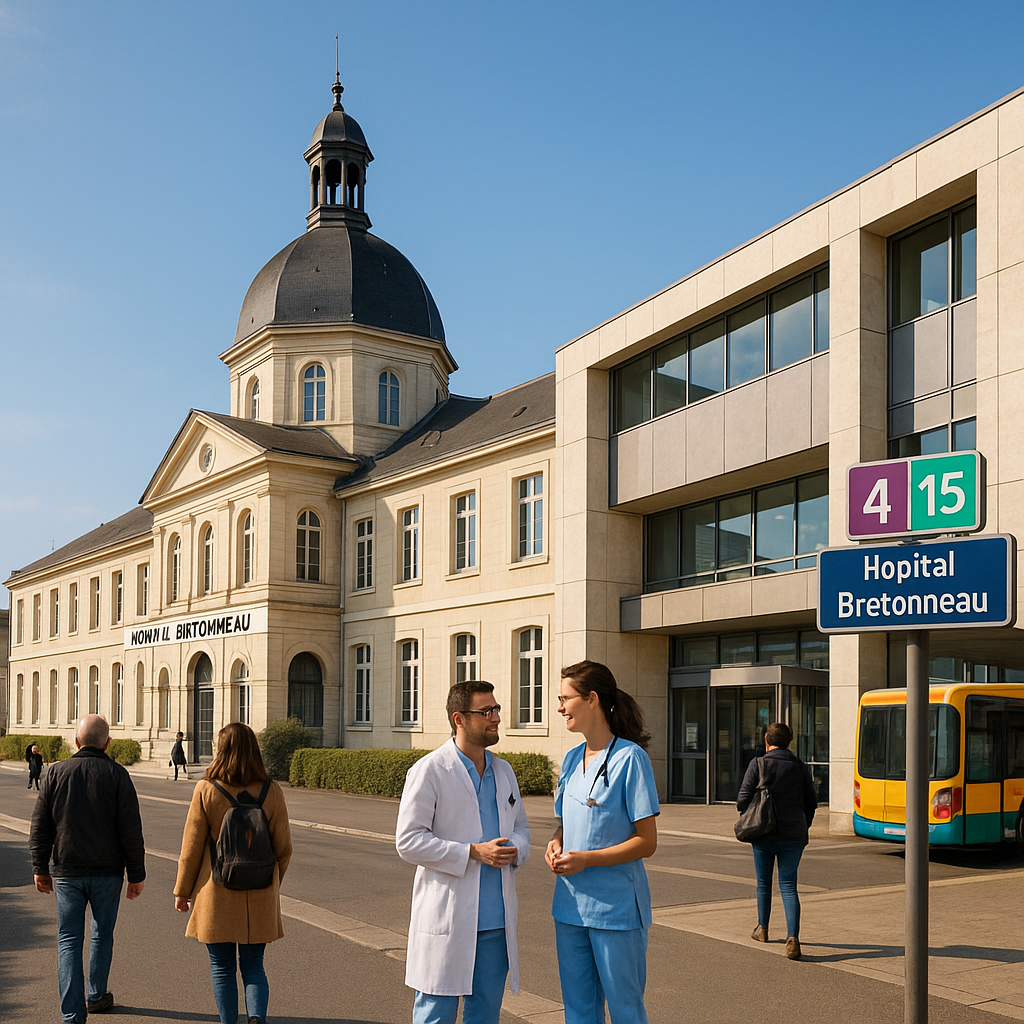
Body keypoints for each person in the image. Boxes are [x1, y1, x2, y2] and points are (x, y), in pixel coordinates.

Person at [396, 680, 530, 1024]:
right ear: (459, 718)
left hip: (495, 923)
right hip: (448, 917)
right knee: (436, 1015)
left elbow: (521, 829)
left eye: (496, 709)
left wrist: (515, 848)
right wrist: (471, 852)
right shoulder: (430, 770)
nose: (495, 718)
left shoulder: (504, 771)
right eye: (486, 711)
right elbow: (408, 840)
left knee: (485, 1015)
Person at [545, 660, 659, 1024]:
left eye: (565, 699)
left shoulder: (630, 758)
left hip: (616, 910)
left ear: (592, 698)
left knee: (626, 1010)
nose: (560, 708)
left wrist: (587, 859)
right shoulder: (570, 760)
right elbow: (567, 823)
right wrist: (556, 842)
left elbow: (646, 842)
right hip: (570, 908)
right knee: (578, 1010)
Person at [29, 714, 146, 1023]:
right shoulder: (118, 775)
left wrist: (40, 867)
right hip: (108, 872)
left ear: (76, 741)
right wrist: (136, 875)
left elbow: (40, 826)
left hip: (67, 870)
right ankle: (96, 995)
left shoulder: (56, 773)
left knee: (68, 939)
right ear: (107, 743)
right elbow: (131, 831)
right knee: (102, 934)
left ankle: (72, 1014)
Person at [174, 722, 292, 1024]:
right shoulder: (272, 791)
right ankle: (256, 1017)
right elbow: (284, 849)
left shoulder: (206, 789)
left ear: (221, 750)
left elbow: (191, 849)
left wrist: (183, 892)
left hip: (217, 893)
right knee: (254, 967)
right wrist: (271, 884)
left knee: (222, 967)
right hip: (260, 895)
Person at [736, 720, 817, 961]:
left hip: (763, 833)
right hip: (793, 834)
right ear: (789, 742)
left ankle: (762, 929)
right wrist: (803, 825)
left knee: (763, 883)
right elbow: (811, 802)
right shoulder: (800, 766)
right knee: (789, 885)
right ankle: (792, 938)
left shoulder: (758, 764)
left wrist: (752, 815)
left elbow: (742, 799)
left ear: (766, 741)